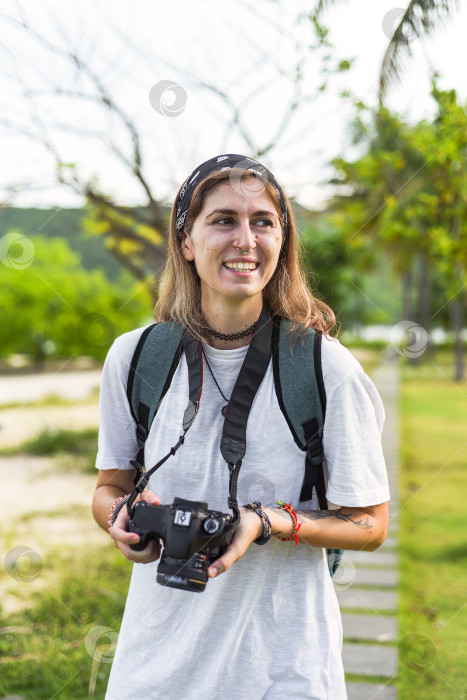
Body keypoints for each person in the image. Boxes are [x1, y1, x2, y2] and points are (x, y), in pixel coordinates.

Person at [92, 154, 390, 700]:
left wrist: (267, 521)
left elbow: (370, 524)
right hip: (154, 669)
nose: (246, 240)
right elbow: (109, 487)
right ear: (186, 241)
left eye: (263, 222)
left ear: (283, 240)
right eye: (223, 220)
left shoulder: (324, 367)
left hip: (284, 671)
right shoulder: (135, 357)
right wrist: (122, 520)